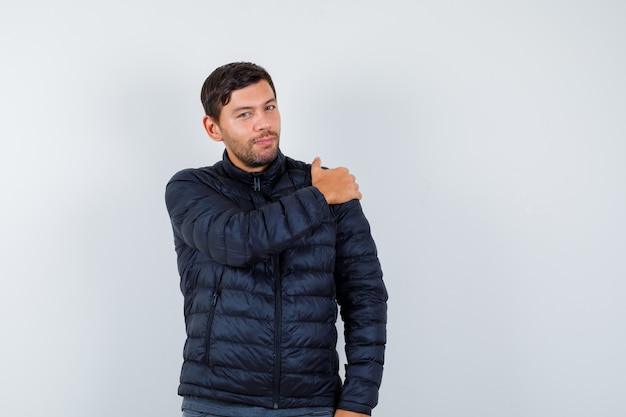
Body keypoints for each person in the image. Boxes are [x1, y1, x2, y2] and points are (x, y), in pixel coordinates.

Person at [165, 62, 387, 417]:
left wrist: (359, 402)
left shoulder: (327, 188)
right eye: (244, 114)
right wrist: (318, 197)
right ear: (213, 128)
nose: (263, 123)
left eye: (269, 107)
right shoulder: (191, 188)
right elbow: (238, 241)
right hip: (217, 403)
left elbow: (365, 298)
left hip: (311, 404)